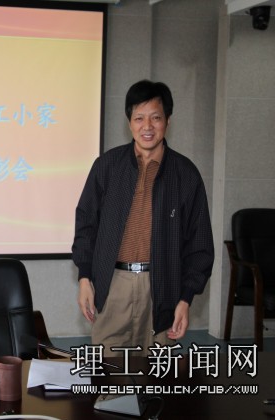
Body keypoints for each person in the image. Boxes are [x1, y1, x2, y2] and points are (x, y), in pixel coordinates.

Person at [72, 80, 214, 356]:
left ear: (168, 121)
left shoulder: (186, 175)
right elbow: (86, 224)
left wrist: (186, 298)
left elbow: (200, 245)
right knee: (108, 374)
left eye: (155, 117)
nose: (147, 126)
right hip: (113, 285)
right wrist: (84, 277)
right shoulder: (107, 166)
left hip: (163, 288)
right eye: (139, 118)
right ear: (129, 123)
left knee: (156, 377)